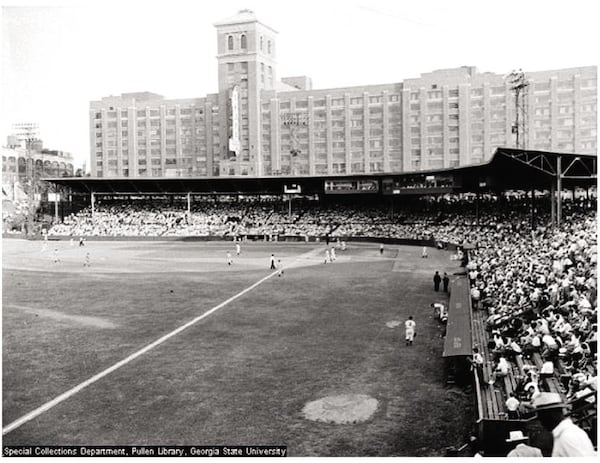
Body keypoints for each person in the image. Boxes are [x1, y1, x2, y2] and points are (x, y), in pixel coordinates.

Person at [531, 392, 596, 457]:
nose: (541, 422)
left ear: (549, 415)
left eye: (541, 417)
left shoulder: (567, 437)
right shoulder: (566, 433)